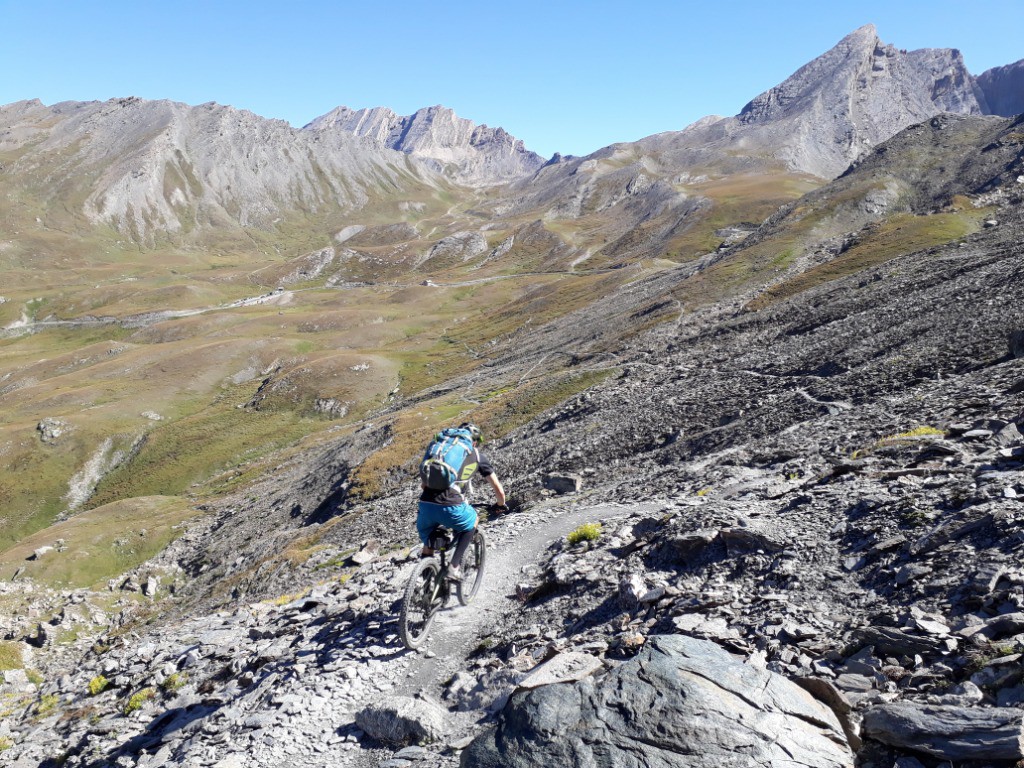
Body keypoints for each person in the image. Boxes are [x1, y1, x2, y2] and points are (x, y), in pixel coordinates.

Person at [417, 422, 506, 580]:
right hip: (451, 503)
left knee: (430, 539)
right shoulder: (477, 456)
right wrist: (500, 505)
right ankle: (454, 567)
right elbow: (498, 489)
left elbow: (424, 484)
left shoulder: (441, 451)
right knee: (472, 521)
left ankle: (424, 587)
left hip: (425, 503)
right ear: (474, 442)